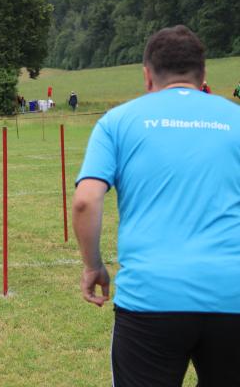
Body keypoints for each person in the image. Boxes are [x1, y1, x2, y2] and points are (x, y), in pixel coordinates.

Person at [72, 25, 240, 386]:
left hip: (151, 298)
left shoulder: (117, 122)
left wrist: (93, 265)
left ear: (147, 75)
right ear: (203, 75)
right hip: (232, 294)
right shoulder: (236, 119)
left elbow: (85, 200)